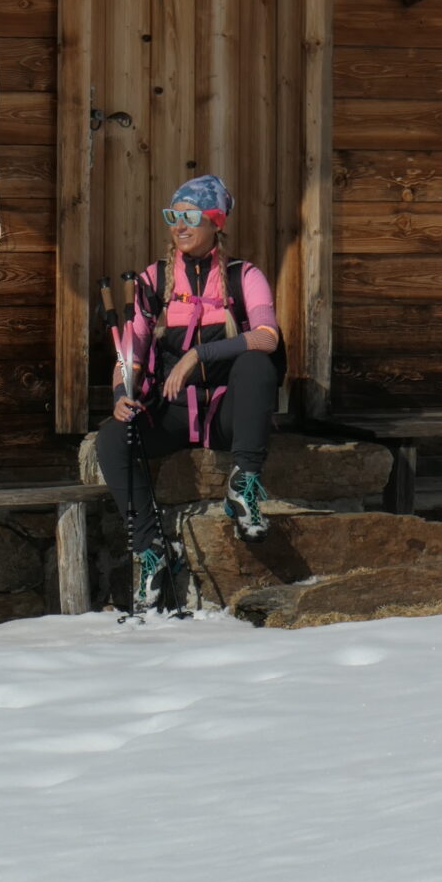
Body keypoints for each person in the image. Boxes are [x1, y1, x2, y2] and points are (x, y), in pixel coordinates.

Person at [92, 175, 282, 614]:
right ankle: (151, 551)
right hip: (172, 413)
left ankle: (245, 486)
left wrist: (199, 353)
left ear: (215, 221)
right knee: (111, 438)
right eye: (172, 215)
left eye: (189, 215)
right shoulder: (152, 281)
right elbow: (131, 351)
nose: (179, 225)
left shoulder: (244, 277)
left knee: (256, 361)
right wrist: (121, 390)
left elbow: (268, 337)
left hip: (225, 414)